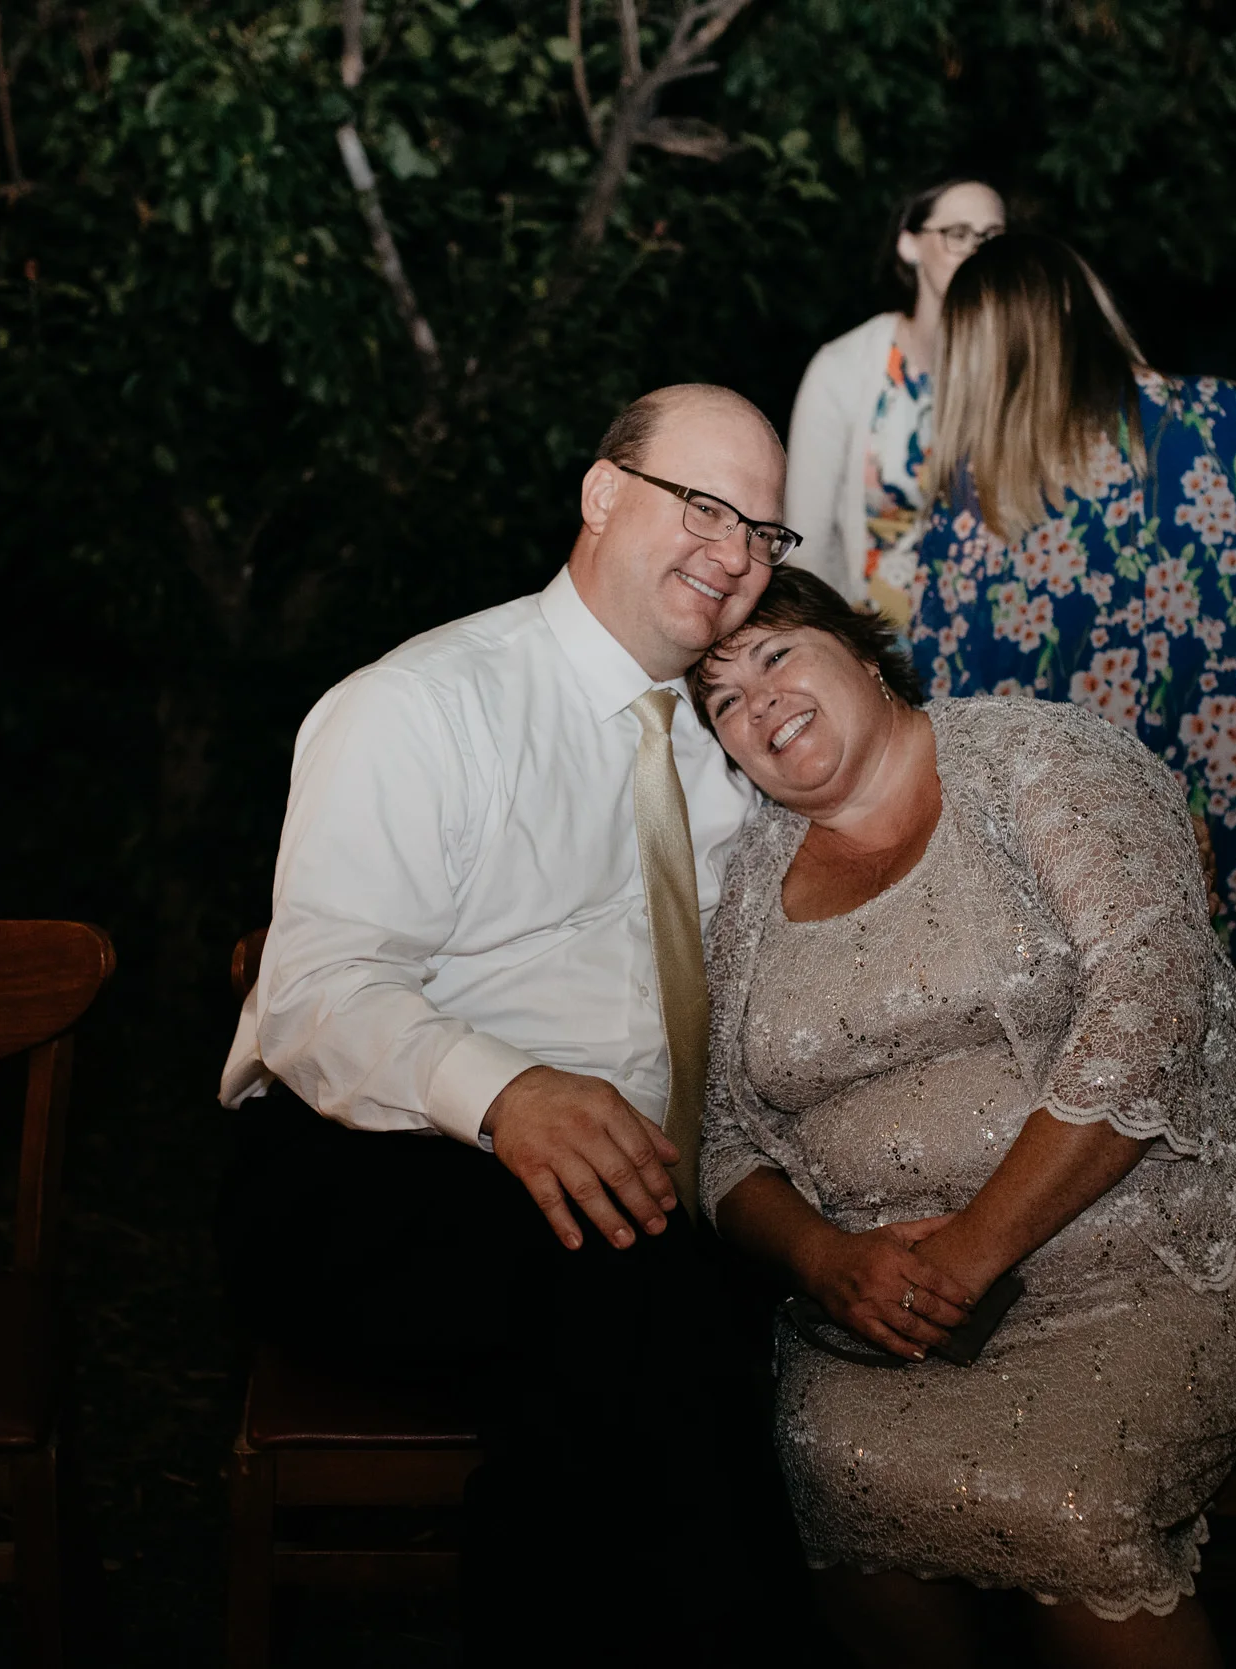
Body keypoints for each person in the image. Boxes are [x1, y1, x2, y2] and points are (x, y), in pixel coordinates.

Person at [214, 384, 811, 1666]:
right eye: (703, 506)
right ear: (602, 495)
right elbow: (316, 993)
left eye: (765, 533)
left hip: (632, 1187)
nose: (733, 554)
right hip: (362, 1162)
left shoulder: (739, 744)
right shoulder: (424, 704)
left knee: (636, 1314)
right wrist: (504, 1091)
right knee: (628, 1297)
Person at [687, 566, 1236, 1669]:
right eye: (720, 700)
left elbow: (1151, 999)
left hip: (1167, 1261)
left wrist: (972, 1251)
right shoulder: (741, 890)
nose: (758, 703)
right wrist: (822, 1258)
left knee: (1062, 1505)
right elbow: (723, 1140)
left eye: (775, 653)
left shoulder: (1040, 759)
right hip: (888, 1316)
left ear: (859, 649)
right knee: (819, 1471)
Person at [905, 232, 1236, 987]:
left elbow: (957, 714)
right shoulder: (1234, 419)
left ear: (972, 352)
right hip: (1233, 817)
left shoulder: (973, 517)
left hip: (1083, 862)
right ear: (1082, 306)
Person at [785, 177, 1008, 628]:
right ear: (910, 245)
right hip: (877, 643)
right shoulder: (843, 369)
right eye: (958, 235)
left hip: (995, 642)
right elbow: (806, 548)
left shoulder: (1022, 369)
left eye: (992, 238)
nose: (978, 253)